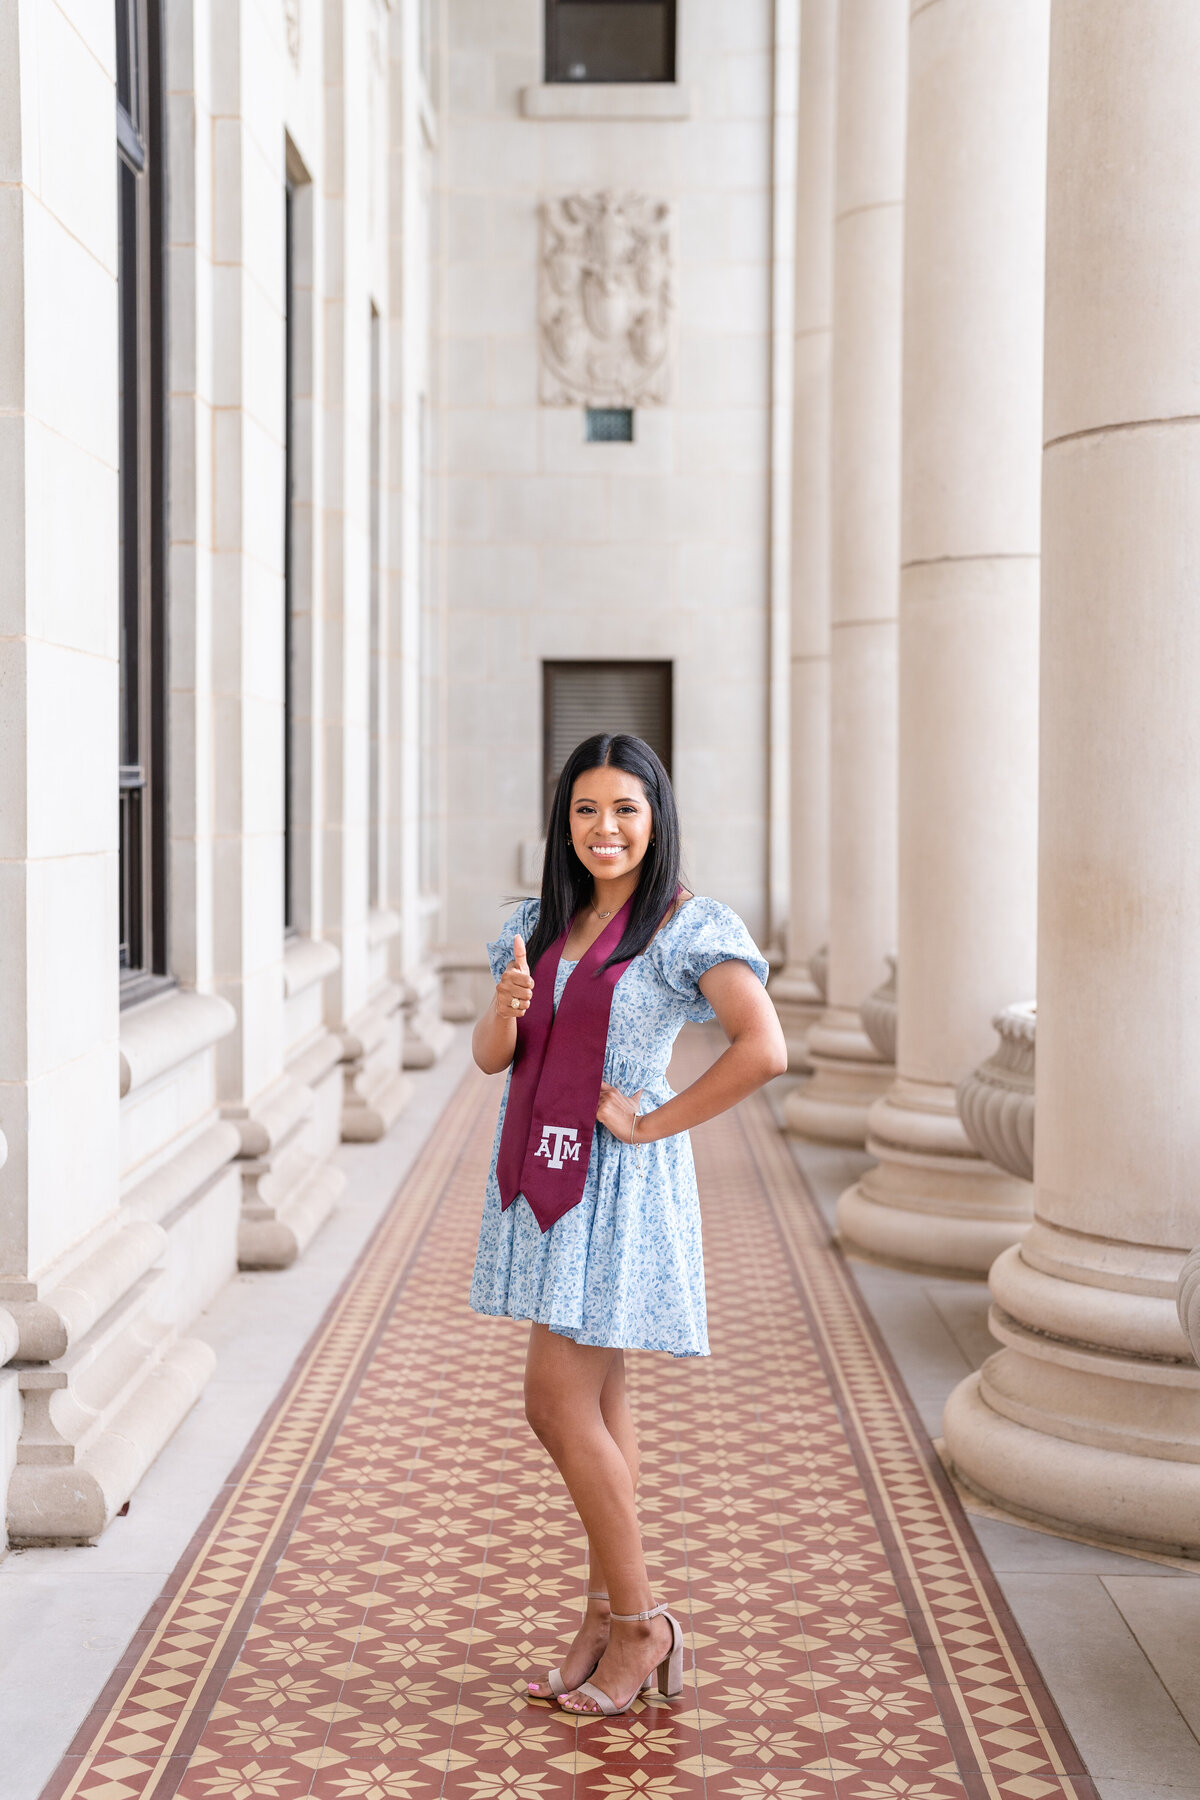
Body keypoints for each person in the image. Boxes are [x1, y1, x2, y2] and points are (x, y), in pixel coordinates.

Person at [469, 732, 787, 1717]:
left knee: (554, 1405)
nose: (605, 830)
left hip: (619, 1183)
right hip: (542, 1173)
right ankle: (605, 1616)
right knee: (600, 1407)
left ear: (657, 820)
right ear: (564, 823)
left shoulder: (688, 927)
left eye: (626, 811)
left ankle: (643, 1624)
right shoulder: (538, 923)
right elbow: (493, 1058)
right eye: (586, 811)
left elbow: (762, 1045)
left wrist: (652, 1119)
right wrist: (506, 1003)